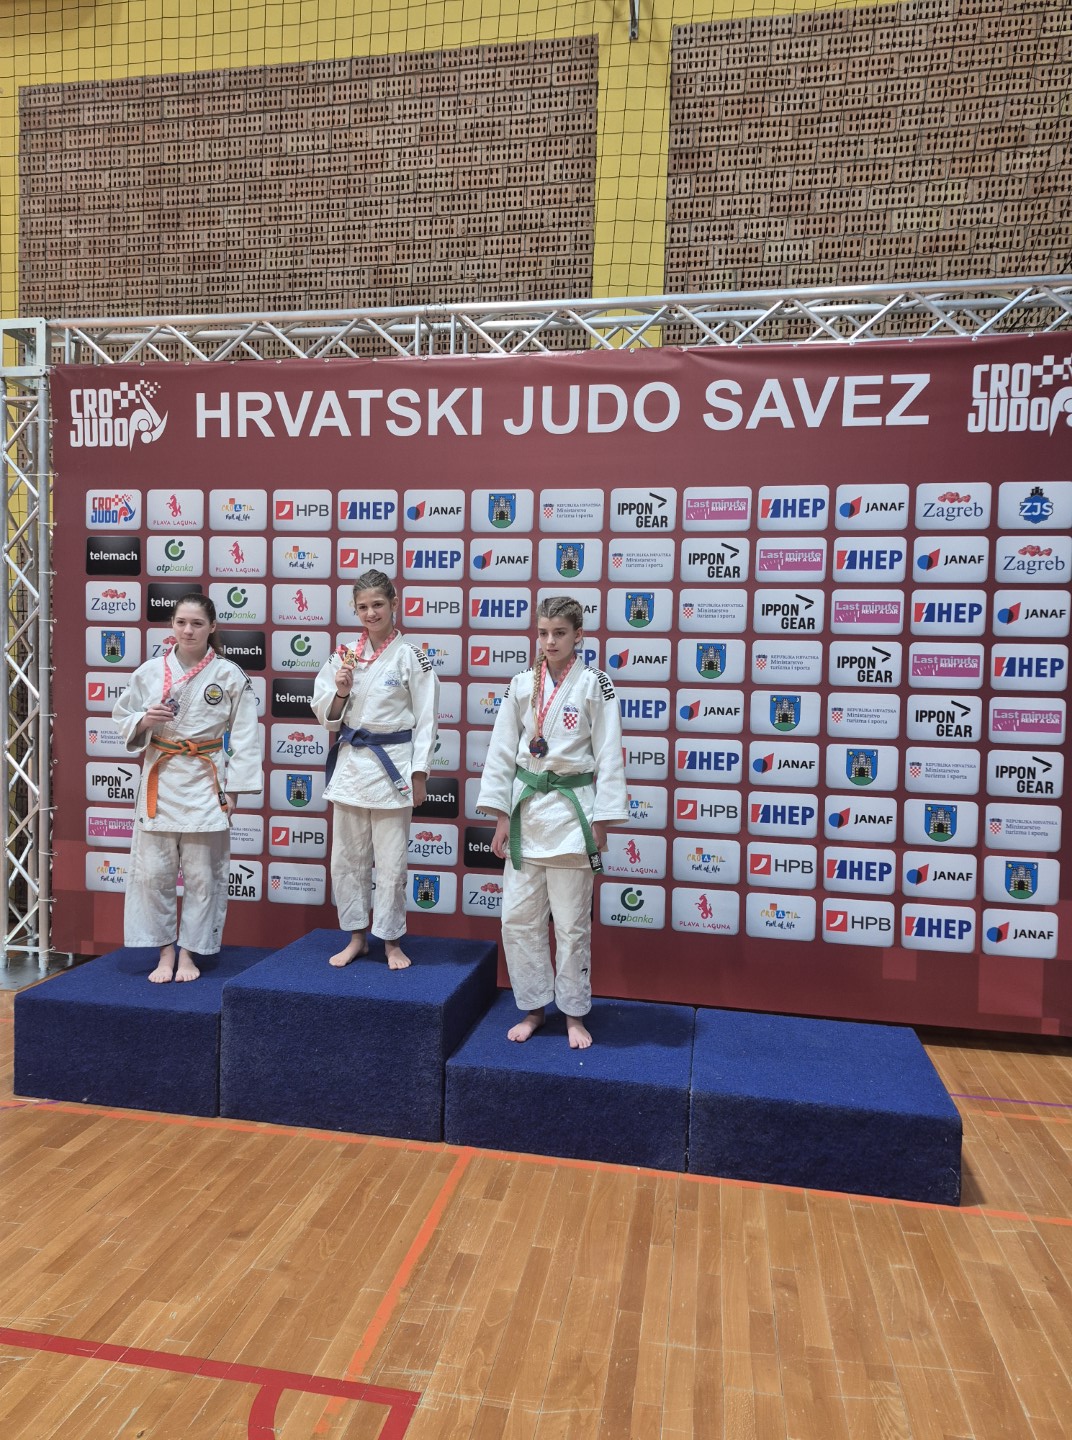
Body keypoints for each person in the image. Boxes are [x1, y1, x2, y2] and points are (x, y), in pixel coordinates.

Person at [477, 595, 629, 1048]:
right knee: (517, 920)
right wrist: (500, 816)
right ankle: (533, 1007)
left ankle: (574, 1013)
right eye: (543, 633)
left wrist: (602, 821)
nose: (550, 641)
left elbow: (609, 753)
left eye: (559, 633)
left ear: (578, 635)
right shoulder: (522, 683)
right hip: (527, 814)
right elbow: (501, 752)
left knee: (571, 925)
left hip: (572, 814)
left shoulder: (595, 684)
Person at [113, 593, 262, 982]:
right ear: (172, 626)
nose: (188, 630)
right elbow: (123, 716)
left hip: (206, 781)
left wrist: (234, 791)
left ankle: (189, 954)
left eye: (197, 623)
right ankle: (165, 952)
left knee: (203, 876)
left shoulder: (229, 675)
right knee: (153, 874)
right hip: (160, 780)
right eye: (181, 622)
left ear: (212, 627)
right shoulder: (150, 671)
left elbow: (245, 736)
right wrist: (144, 720)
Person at [311, 569, 439, 970]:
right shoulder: (343, 655)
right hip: (352, 764)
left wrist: (420, 774)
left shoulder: (412, 657)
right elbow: (326, 715)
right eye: (363, 607)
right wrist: (341, 691)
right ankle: (356, 937)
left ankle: (391, 940)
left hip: (393, 767)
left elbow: (428, 720)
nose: (371, 613)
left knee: (392, 862)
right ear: (355, 609)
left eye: (378, 605)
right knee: (346, 860)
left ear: (394, 604)